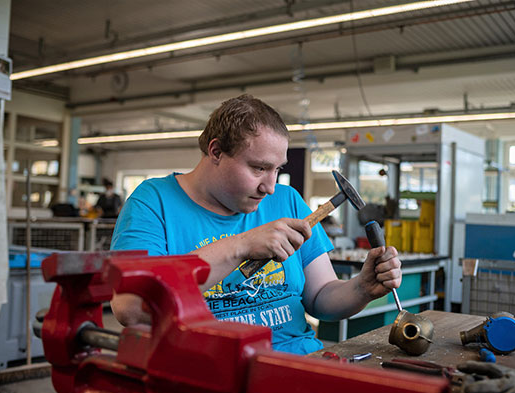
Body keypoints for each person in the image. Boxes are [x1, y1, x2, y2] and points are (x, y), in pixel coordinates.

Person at [109, 94, 402, 355]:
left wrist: (361, 288)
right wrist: (242, 245)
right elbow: (131, 307)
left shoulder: (287, 201)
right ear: (216, 151)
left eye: (277, 169)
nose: (270, 187)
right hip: (208, 367)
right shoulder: (153, 201)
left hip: (299, 362)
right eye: (259, 168)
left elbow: (320, 296)